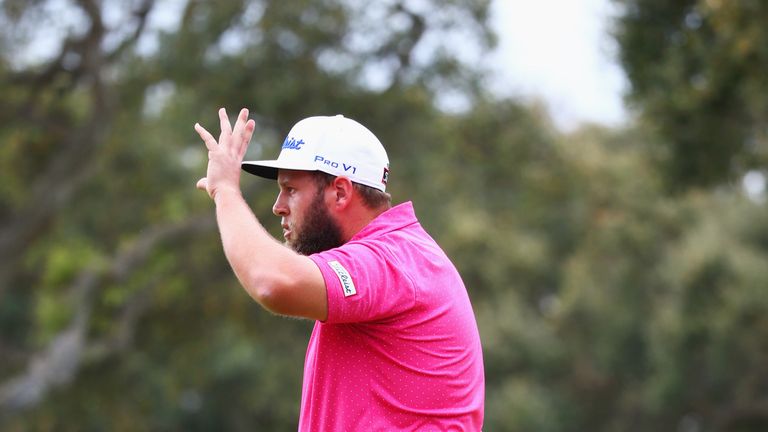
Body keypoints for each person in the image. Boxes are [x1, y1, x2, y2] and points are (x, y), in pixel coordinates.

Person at [194, 108, 485, 431]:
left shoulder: (392, 260)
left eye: (291, 189)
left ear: (341, 192)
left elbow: (271, 281)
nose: (278, 206)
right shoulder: (399, 253)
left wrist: (227, 192)